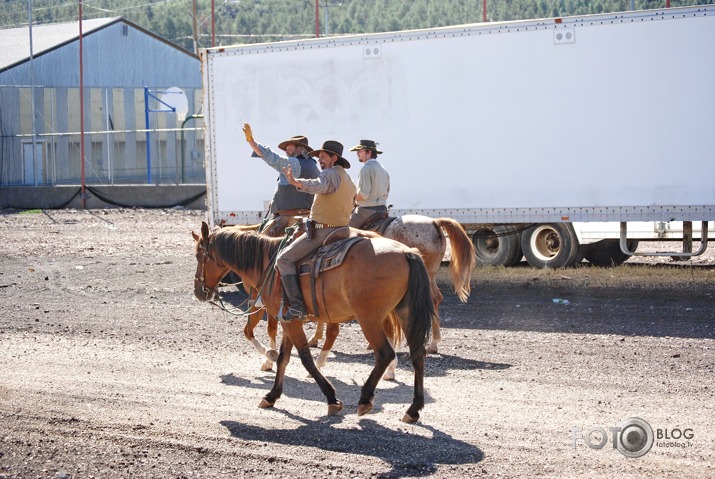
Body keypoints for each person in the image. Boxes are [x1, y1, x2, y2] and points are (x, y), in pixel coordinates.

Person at [275, 140, 356, 321]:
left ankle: (297, 307)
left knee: (284, 260)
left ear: (334, 158)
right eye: (319, 158)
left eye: (323, 157)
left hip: (322, 232)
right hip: (343, 230)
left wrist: (297, 182)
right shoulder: (348, 179)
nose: (320, 160)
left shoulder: (329, 174)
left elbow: (320, 184)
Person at [242, 123, 320, 236]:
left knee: (259, 245)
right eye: (286, 150)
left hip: (289, 220)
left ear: (301, 149)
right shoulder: (313, 165)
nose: (287, 152)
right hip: (307, 219)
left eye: (290, 149)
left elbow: (274, 159)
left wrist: (252, 142)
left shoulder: (293, 163)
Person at [348, 139, 390, 228]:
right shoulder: (383, 169)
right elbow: (387, 192)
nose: (357, 154)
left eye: (360, 151)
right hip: (383, 210)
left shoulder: (366, 169)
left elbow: (364, 195)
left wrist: (351, 200)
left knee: (343, 230)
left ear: (369, 152)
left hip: (366, 211)